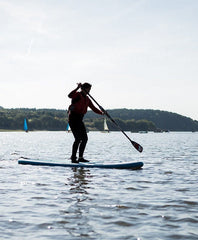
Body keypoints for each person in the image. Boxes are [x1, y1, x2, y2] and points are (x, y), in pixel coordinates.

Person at [68, 83, 104, 163]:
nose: (89, 91)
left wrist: (102, 112)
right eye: (88, 90)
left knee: (85, 139)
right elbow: (69, 95)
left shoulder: (87, 99)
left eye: (90, 90)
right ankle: (73, 157)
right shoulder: (77, 95)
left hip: (80, 119)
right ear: (84, 89)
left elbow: (94, 108)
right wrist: (77, 88)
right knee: (77, 139)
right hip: (73, 119)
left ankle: (80, 157)